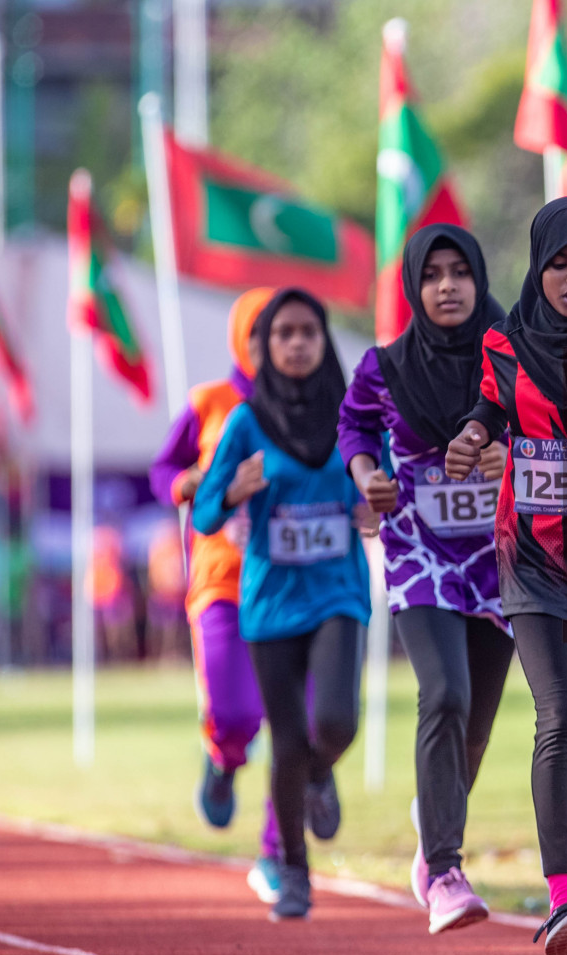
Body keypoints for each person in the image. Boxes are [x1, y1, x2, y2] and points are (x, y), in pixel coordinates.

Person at [444, 197, 567, 955]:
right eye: (560, 263)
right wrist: (473, 435)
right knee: (557, 719)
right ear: (539, 267)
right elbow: (492, 408)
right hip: (528, 553)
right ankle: (563, 897)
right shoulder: (505, 343)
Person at [338, 225, 517, 934]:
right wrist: (365, 477)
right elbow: (353, 426)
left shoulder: (514, 354)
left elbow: (556, 427)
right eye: (432, 275)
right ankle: (442, 869)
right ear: (414, 287)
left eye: (460, 273)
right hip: (420, 553)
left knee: (473, 723)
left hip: (503, 557)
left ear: (479, 280)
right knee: (443, 692)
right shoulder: (384, 366)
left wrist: (517, 456)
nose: (447, 287)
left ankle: (435, 812)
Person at [193, 288, 372, 922]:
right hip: (270, 605)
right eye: (283, 334)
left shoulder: (353, 413)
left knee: (336, 723)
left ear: (325, 341)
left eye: (308, 332)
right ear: (264, 346)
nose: (296, 344)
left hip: (338, 595)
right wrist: (235, 488)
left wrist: (373, 499)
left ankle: (321, 771)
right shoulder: (245, 421)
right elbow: (206, 510)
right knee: (287, 739)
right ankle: (294, 871)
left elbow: (382, 481)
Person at [150, 288, 286, 903]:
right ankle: (224, 757)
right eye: (260, 333)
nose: (273, 346)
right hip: (222, 580)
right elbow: (163, 470)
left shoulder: (312, 403)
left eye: (284, 331)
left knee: (301, 727)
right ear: (240, 338)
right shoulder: (209, 401)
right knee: (235, 713)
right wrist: (189, 483)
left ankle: (279, 849)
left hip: (292, 580)